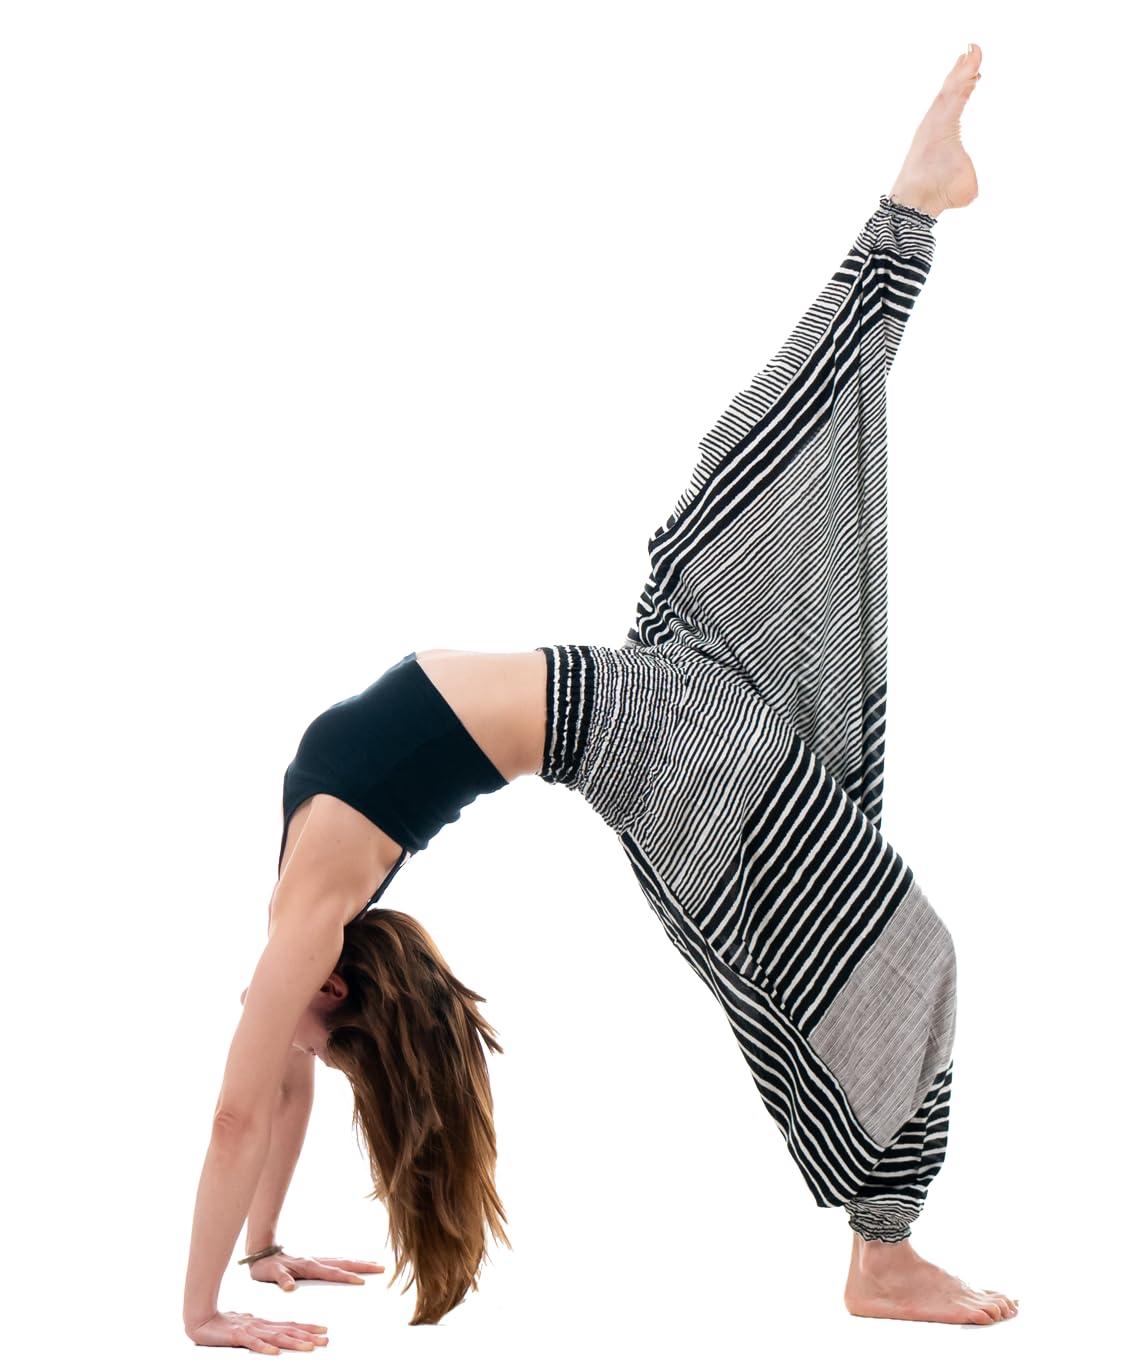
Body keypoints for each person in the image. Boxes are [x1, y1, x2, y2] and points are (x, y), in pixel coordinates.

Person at [184, 42, 1019, 1351]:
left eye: (301, 1043)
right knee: (890, 948)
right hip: (664, 743)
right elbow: (256, 1103)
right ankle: (886, 1246)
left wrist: (254, 1257)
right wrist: (211, 1302)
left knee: (761, 459)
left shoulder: (309, 903)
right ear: (334, 995)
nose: (270, 1032)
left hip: (654, 681)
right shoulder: (314, 910)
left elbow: (264, 1095)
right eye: (316, 1045)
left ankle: (910, 206)